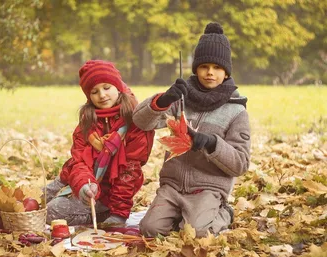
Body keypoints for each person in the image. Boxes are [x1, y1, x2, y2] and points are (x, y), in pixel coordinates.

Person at [132, 22, 251, 237]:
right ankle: (180, 214)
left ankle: (223, 213)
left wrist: (212, 143)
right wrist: (163, 100)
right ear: (196, 69)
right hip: (172, 186)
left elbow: (240, 164)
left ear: (226, 72)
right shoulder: (180, 99)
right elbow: (141, 122)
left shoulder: (236, 112)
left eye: (217, 67)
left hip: (208, 189)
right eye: (204, 66)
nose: (210, 73)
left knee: (197, 233)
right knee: (149, 230)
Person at [45, 60, 155, 226]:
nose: (102, 95)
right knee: (36, 200)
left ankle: (103, 214)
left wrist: (119, 213)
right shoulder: (88, 122)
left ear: (118, 87)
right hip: (86, 183)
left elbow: (130, 171)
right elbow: (79, 160)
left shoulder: (134, 121)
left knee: (51, 211)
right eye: (94, 91)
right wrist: (84, 185)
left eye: (106, 87)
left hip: (113, 192)